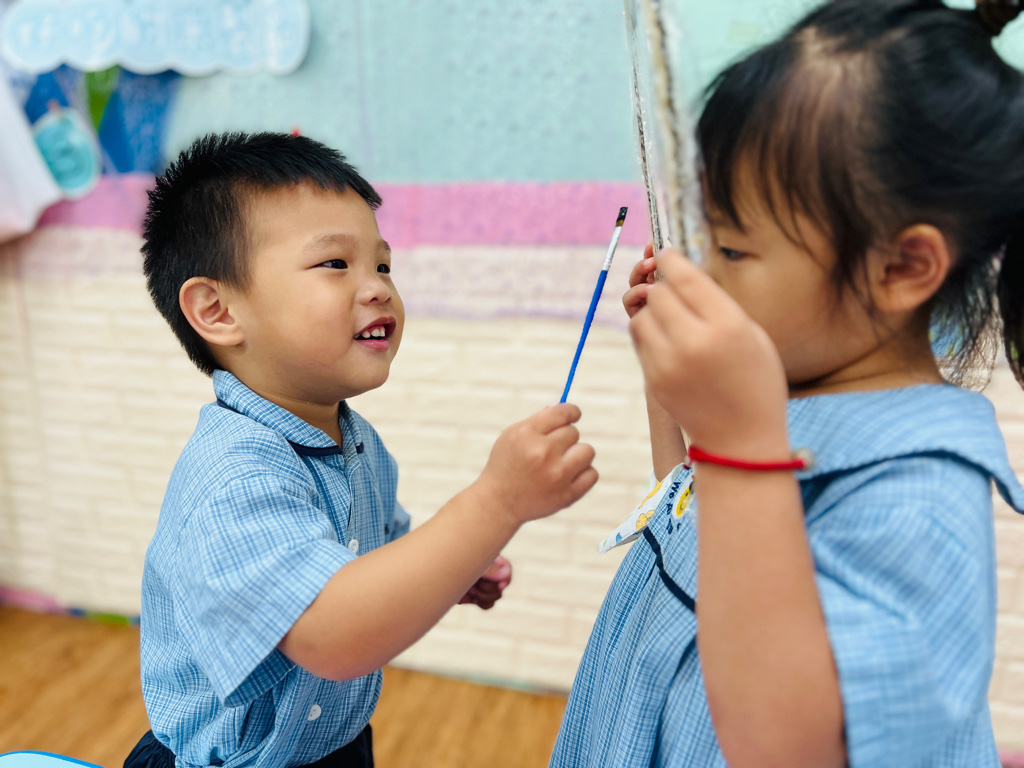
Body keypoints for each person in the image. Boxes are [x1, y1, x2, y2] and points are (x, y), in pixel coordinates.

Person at [550, 1, 1024, 766]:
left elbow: (794, 746)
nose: (702, 270)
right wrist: (676, 397)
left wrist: (739, 441)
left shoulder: (918, 496)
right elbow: (695, 518)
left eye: (732, 249)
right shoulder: (797, 397)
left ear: (901, 268)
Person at [125, 132, 598, 768]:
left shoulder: (356, 443)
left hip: (335, 747)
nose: (377, 288)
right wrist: (495, 503)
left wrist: (450, 568)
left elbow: (374, 561)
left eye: (382, 265)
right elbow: (335, 634)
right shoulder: (234, 478)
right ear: (218, 311)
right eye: (334, 264)